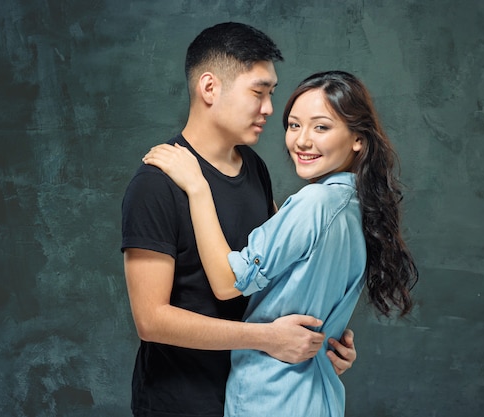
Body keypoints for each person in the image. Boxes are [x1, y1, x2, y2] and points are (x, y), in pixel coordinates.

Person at [143, 70, 419, 416]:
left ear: (357, 139)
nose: (302, 141)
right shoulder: (358, 208)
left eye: (321, 127)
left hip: (273, 396)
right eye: (294, 126)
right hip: (317, 395)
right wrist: (333, 344)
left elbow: (230, 283)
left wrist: (198, 188)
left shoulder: (314, 204)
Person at [121, 24, 357, 417]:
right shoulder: (155, 184)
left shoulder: (253, 167)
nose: (269, 109)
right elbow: (151, 320)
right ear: (210, 88)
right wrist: (266, 339)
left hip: (252, 397)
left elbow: (274, 271)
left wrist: (323, 340)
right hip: (180, 403)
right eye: (258, 92)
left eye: (271, 95)